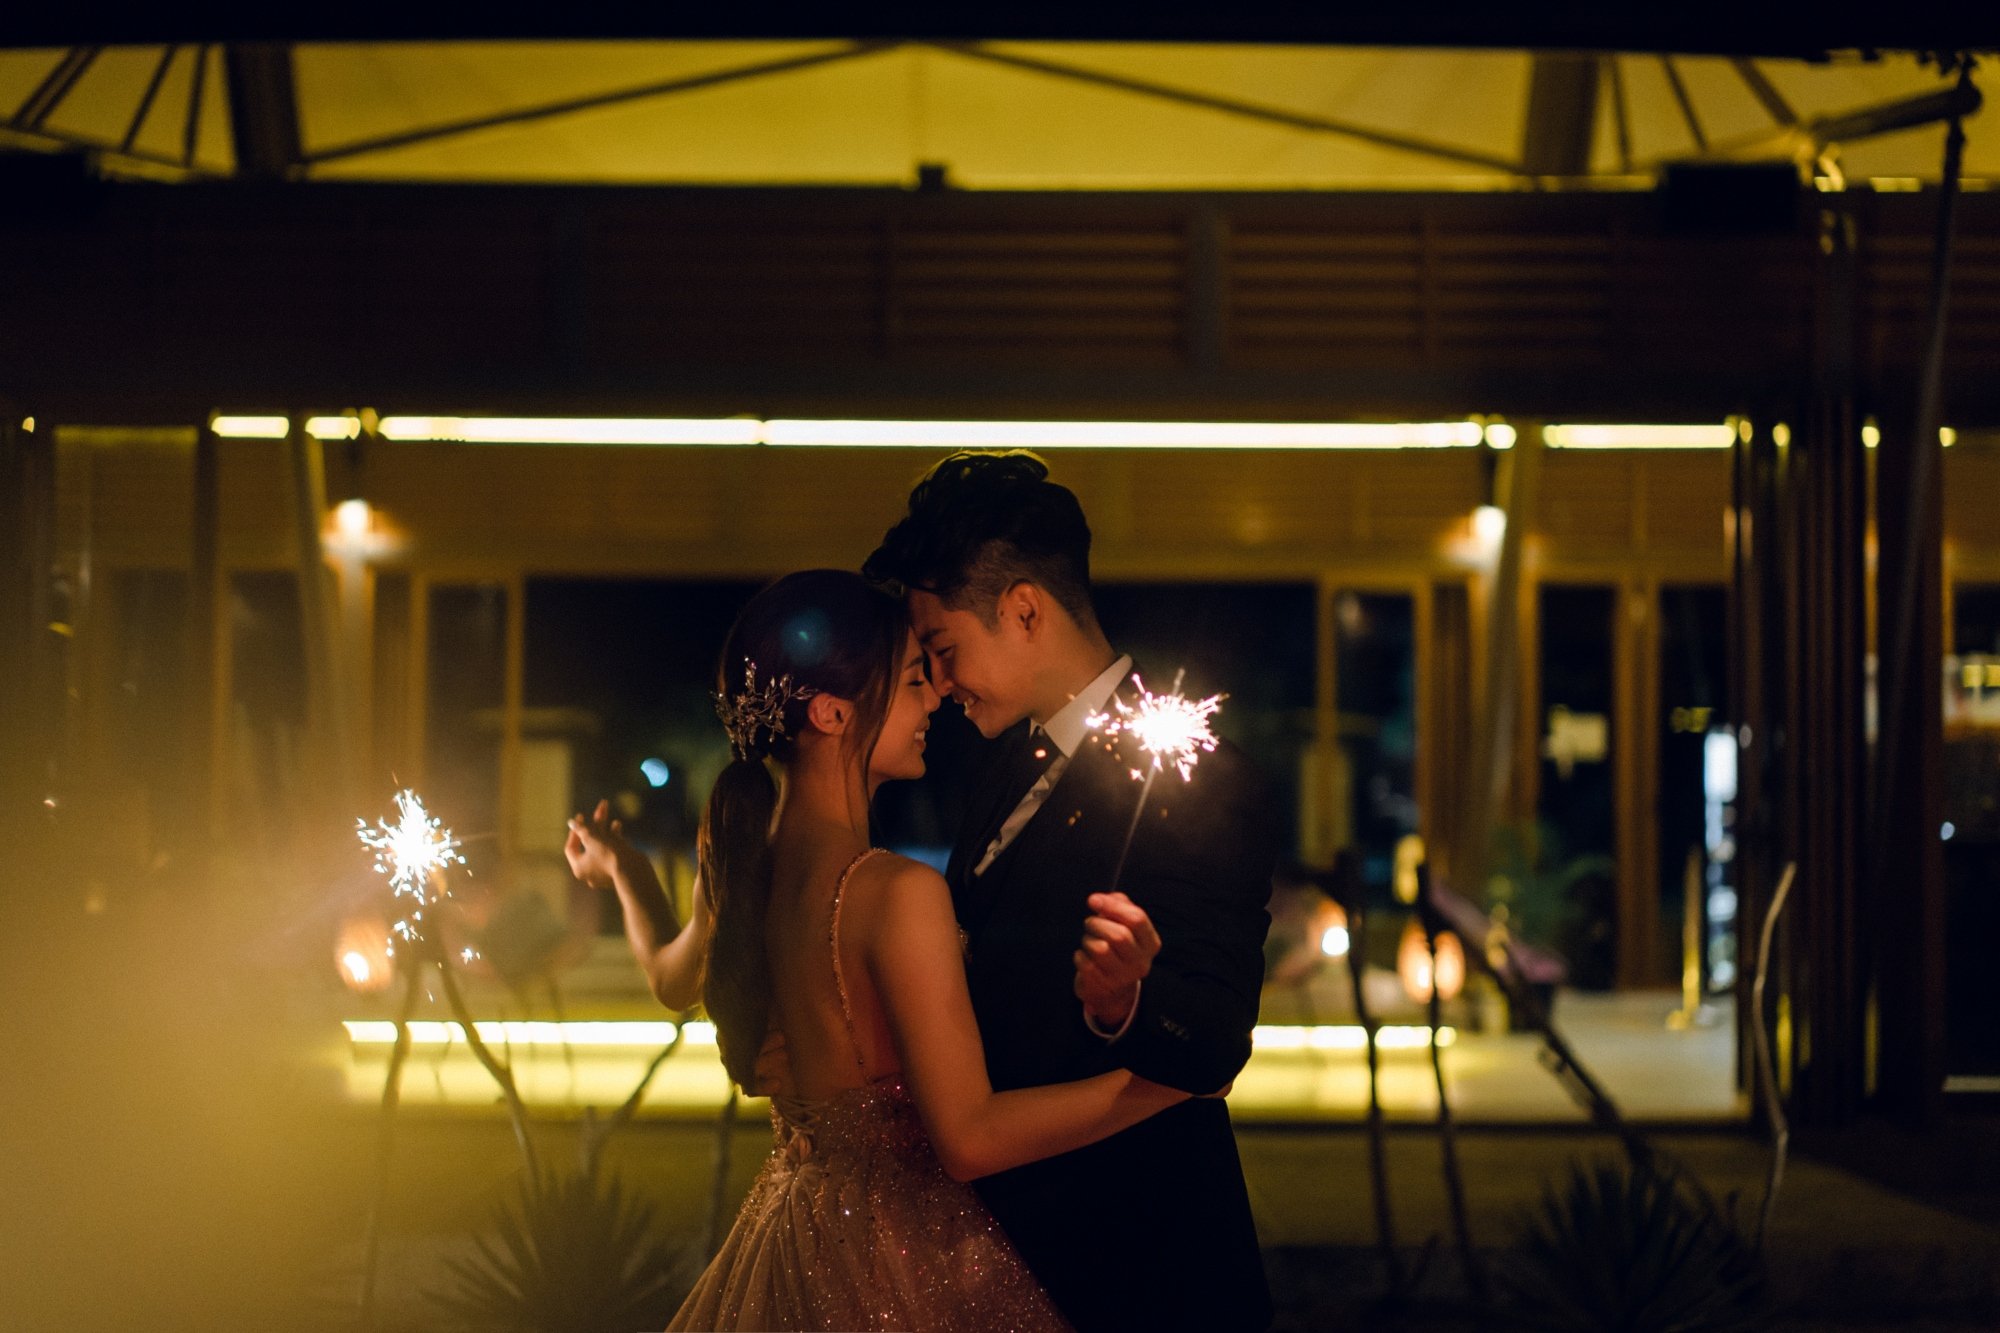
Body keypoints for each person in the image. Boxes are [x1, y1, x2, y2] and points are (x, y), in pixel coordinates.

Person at [575, 568, 1201, 1332]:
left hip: (790, 1234)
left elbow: (670, 978)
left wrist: (626, 875)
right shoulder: (891, 893)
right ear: (834, 712)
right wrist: (1163, 1085)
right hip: (896, 1260)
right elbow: (969, 1138)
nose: (935, 694)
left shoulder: (743, 865)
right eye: (911, 679)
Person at [863, 450, 1277, 1333]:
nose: (937, 682)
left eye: (944, 649)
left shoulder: (1200, 776)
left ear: (1023, 610)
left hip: (1143, 1257)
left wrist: (1128, 999)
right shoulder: (1000, 762)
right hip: (1007, 1254)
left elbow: (1215, 1035)